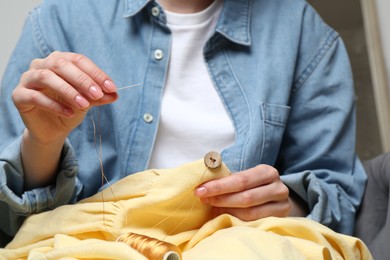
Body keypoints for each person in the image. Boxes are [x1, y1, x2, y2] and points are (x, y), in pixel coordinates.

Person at [0, 0, 367, 249]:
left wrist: (287, 206)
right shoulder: (59, 20)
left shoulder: (303, 32)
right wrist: (42, 143)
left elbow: (339, 196)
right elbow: (12, 222)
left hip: (248, 245)